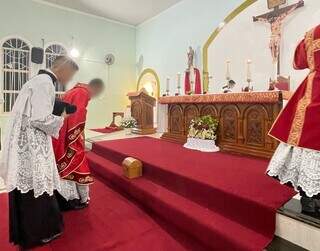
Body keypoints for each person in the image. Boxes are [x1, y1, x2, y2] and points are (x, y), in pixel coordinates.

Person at [0, 56, 79, 248]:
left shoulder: (34, 80)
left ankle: (27, 234)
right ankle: (39, 233)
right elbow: (40, 119)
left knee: (28, 184)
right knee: (38, 182)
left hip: (22, 144)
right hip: (32, 145)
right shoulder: (45, 83)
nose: (68, 78)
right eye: (69, 73)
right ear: (60, 67)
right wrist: (62, 117)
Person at [267, 24, 320, 217]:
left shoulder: (311, 34)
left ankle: (308, 198)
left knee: (305, 143)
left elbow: (298, 62)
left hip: (313, 92)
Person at [53, 78, 104, 210]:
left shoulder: (72, 91)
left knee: (65, 164)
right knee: (78, 163)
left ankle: (69, 197)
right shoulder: (82, 93)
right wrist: (76, 135)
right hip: (70, 134)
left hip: (62, 132)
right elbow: (78, 113)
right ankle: (82, 199)